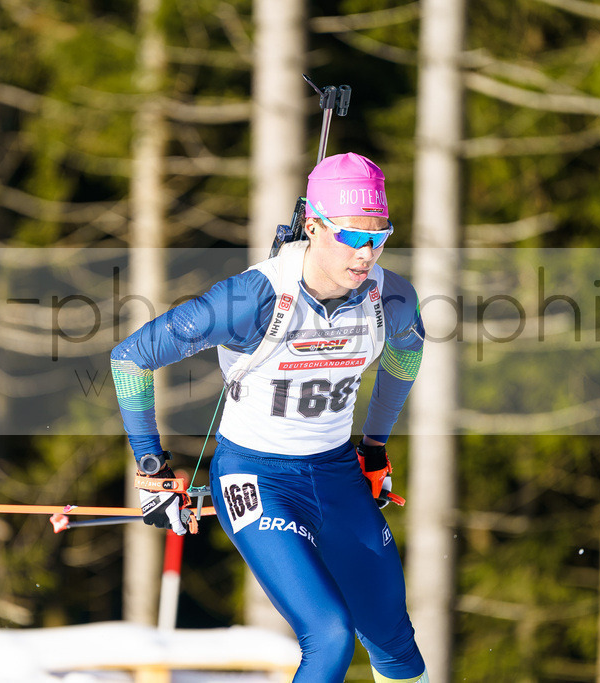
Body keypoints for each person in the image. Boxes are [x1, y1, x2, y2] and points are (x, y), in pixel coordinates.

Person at [111, 152, 428, 683]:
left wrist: (374, 447)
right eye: (352, 236)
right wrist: (151, 469)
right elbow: (131, 357)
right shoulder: (252, 299)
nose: (367, 252)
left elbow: (405, 358)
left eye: (379, 235)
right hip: (255, 478)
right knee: (329, 636)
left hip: (335, 476)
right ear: (314, 225)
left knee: (395, 643)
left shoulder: (390, 297)